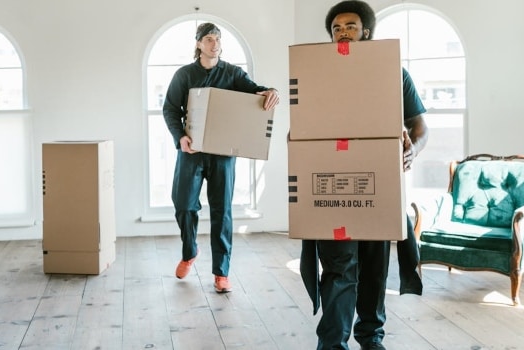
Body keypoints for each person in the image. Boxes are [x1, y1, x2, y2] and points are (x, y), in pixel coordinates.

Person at [299, 1, 429, 349]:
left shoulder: (393, 72)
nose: (343, 32)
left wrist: (412, 150)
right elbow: (302, 126)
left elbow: (420, 126)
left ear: (366, 31)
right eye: (337, 28)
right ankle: (332, 343)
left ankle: (371, 338)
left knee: (373, 271)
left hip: (378, 189)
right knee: (340, 270)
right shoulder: (316, 74)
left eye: (350, 26)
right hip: (332, 188)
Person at [162, 22, 280, 293]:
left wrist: (271, 91)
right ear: (198, 44)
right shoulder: (184, 75)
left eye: (218, 39)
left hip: (223, 154)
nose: (214, 44)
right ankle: (190, 252)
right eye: (209, 39)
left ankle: (221, 272)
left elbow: (255, 91)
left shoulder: (233, 73)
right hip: (191, 151)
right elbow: (169, 109)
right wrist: (180, 137)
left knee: (221, 211)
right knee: (183, 204)